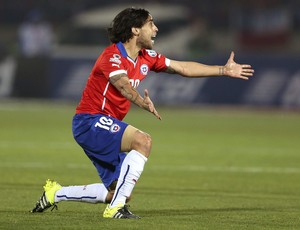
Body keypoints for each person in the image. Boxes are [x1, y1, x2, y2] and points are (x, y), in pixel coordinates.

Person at [30, 7, 254, 219]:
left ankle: (55, 194)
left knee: (119, 191)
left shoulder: (147, 56)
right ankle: (115, 210)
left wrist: (223, 70)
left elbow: (182, 68)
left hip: (104, 125)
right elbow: (124, 86)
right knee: (143, 141)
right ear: (135, 29)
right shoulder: (112, 56)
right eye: (151, 23)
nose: (155, 29)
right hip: (90, 122)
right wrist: (142, 103)